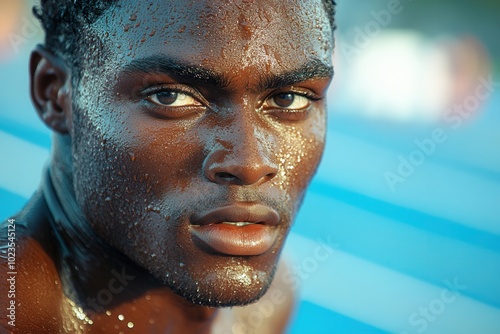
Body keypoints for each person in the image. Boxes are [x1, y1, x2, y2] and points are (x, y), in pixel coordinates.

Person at [0, 0, 336, 332]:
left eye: (289, 98)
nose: (250, 164)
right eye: (170, 97)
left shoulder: (264, 308)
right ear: (54, 92)